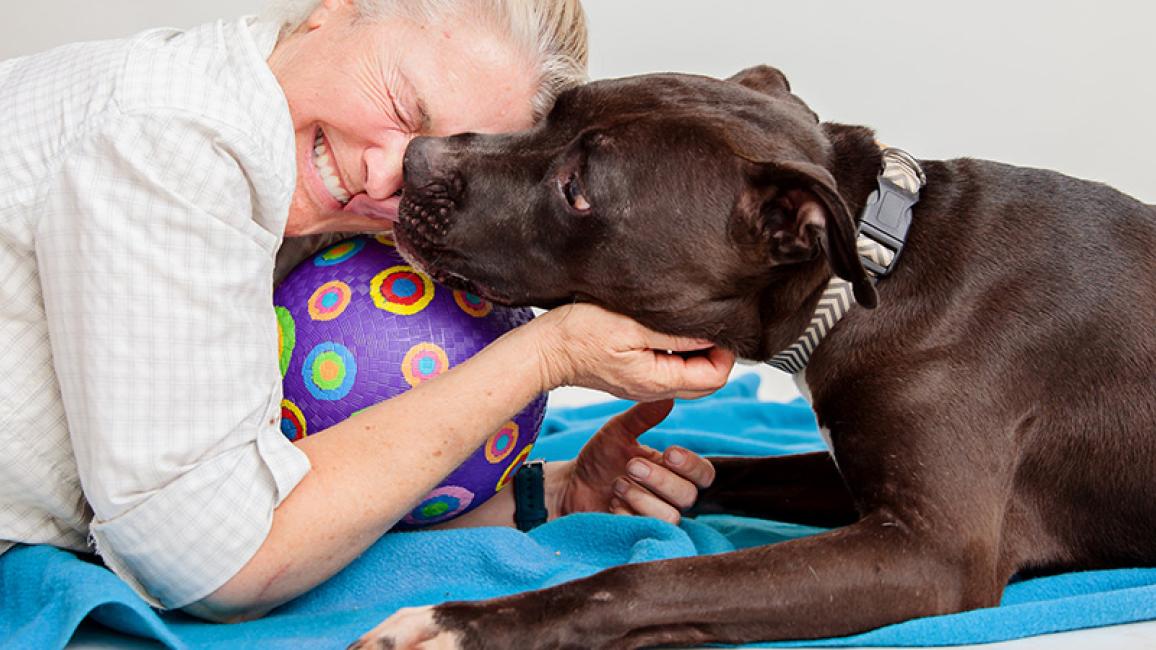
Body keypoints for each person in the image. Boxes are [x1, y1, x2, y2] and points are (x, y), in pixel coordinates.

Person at [0, 0, 735, 624]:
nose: (385, 178)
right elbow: (208, 563)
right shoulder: (175, 144)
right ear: (334, 10)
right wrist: (550, 351)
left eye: (432, 163)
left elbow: (264, 479)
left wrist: (534, 499)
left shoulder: (284, 172)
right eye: (401, 105)